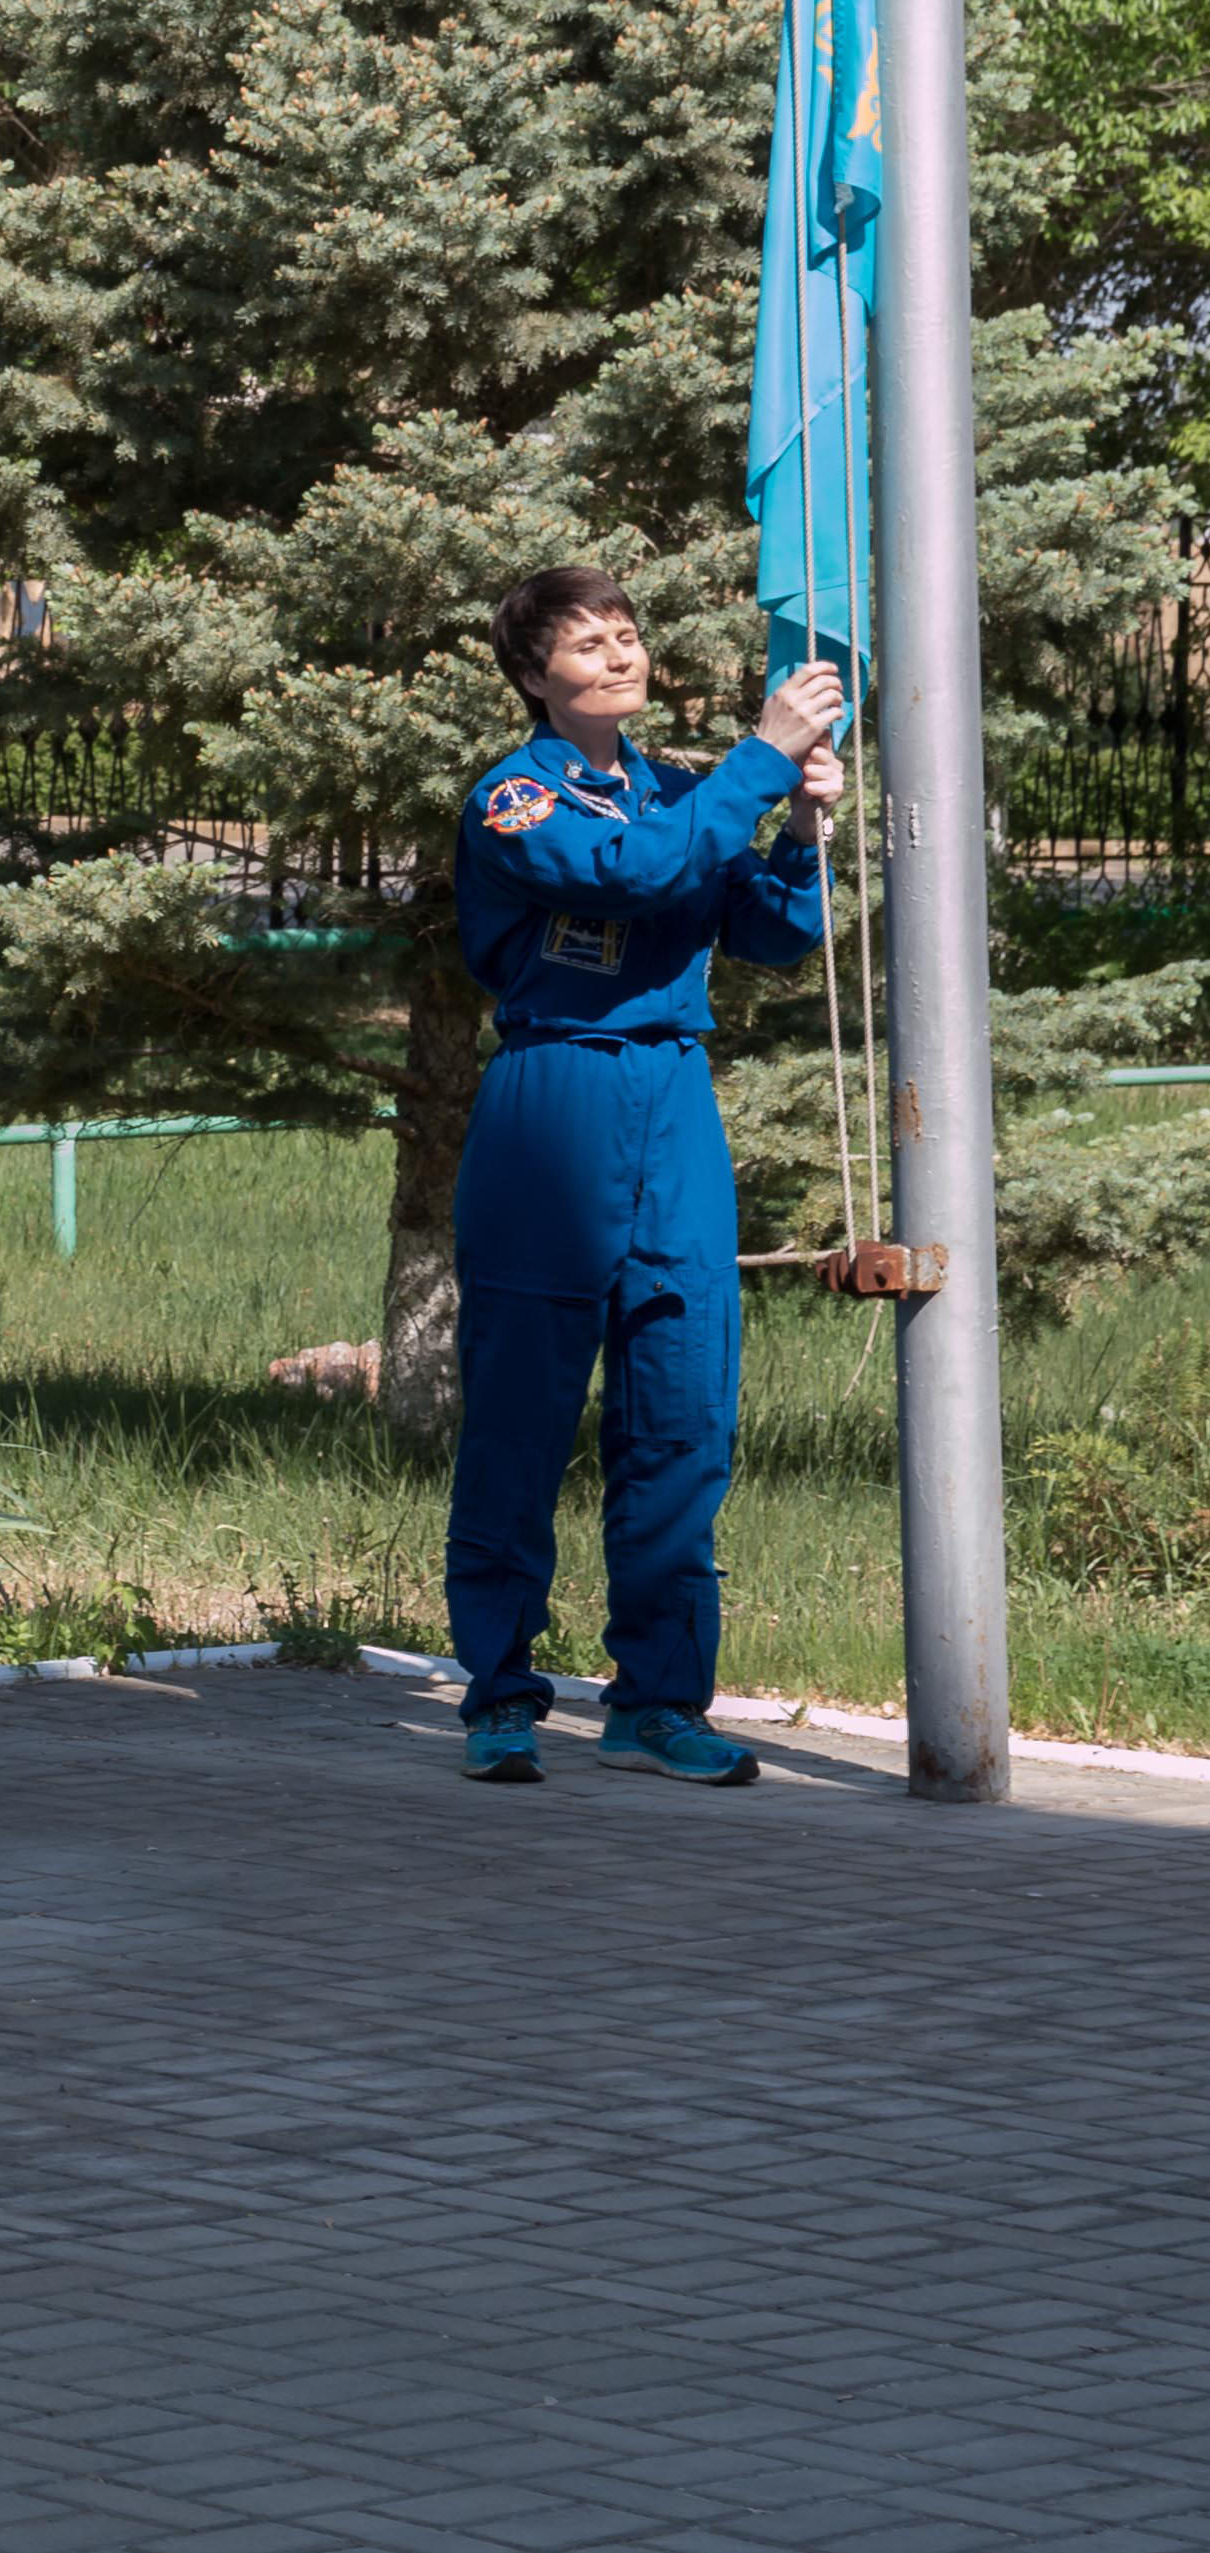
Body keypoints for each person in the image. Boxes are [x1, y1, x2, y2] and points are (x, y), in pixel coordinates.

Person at [440, 568, 844, 1789]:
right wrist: (762, 760)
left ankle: (658, 1699)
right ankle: (501, 1694)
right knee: (521, 1415)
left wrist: (801, 828)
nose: (619, 656)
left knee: (683, 1405)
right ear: (534, 676)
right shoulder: (514, 798)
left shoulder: (679, 787)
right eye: (587, 644)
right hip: (554, 1096)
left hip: (673, 1098)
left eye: (627, 636)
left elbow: (773, 932)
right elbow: (636, 874)